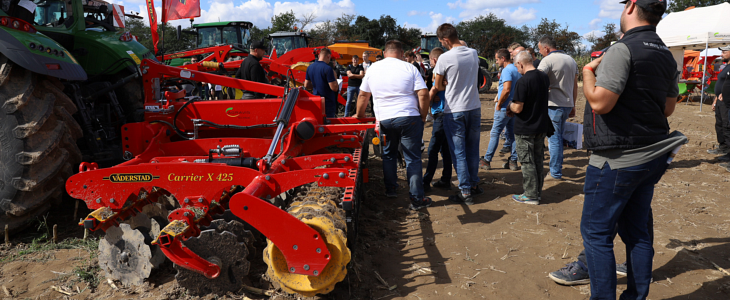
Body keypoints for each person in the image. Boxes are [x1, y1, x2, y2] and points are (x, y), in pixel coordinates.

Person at [551, 1, 686, 299]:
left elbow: (600, 103)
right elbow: (667, 108)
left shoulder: (622, 49)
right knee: (637, 233)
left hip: (616, 159)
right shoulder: (666, 55)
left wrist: (587, 72)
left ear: (632, 6)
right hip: (650, 156)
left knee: (596, 235)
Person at [354, 40, 432, 210]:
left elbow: (362, 95)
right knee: (412, 158)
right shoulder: (409, 67)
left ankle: (391, 190)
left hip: (385, 119)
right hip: (409, 117)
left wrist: (359, 115)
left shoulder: (373, 68)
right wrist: (422, 116)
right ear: (401, 52)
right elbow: (423, 94)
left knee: (388, 155)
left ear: (384, 52)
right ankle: (417, 198)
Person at [432, 23, 482, 205]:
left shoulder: (445, 58)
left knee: (458, 151)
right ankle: (474, 184)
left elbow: (437, 86)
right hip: (474, 107)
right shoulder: (473, 53)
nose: (442, 45)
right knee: (472, 148)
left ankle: (465, 191)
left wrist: (446, 81)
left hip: (454, 109)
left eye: (441, 42)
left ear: (445, 39)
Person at [507, 51, 553, 205]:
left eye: (516, 66)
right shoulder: (543, 77)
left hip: (525, 127)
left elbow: (518, 108)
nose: (517, 69)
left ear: (520, 63)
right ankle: (537, 192)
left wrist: (510, 106)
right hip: (541, 125)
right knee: (538, 160)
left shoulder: (523, 81)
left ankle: (530, 195)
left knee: (527, 162)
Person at [537, 35, 579, 181]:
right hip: (567, 104)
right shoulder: (571, 60)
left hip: (553, 104)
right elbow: (574, 85)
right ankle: (557, 169)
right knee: (559, 138)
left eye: (540, 49)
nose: (540, 52)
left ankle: (555, 173)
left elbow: (537, 79)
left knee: (554, 139)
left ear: (546, 48)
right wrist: (573, 104)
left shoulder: (547, 60)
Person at [480, 48, 520, 171]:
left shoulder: (507, 70)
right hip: (514, 106)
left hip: (504, 108)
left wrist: (499, 104)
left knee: (495, 133)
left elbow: (507, 89)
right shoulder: (517, 69)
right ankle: (513, 161)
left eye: (497, 59)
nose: (496, 62)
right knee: (513, 135)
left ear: (503, 58)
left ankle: (487, 160)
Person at [423, 47, 453, 192]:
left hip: (441, 114)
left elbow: (435, 88)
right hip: (448, 112)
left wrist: (428, 99)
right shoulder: (450, 71)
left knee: (432, 149)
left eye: (430, 60)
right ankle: (446, 179)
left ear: (434, 60)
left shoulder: (438, 71)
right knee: (445, 150)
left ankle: (426, 180)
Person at [304, 48, 339, 118]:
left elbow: (306, 85)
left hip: (316, 101)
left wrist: (316, 86)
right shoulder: (328, 68)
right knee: (328, 125)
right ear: (328, 56)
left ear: (319, 56)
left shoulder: (310, 67)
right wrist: (335, 78)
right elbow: (334, 88)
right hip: (327, 103)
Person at [710, 46, 730, 158]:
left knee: (727, 125)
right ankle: (723, 147)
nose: (721, 55)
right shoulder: (726, 66)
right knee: (720, 124)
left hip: (726, 101)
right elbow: (723, 84)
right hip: (720, 100)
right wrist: (716, 99)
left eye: (724, 52)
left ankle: (728, 151)